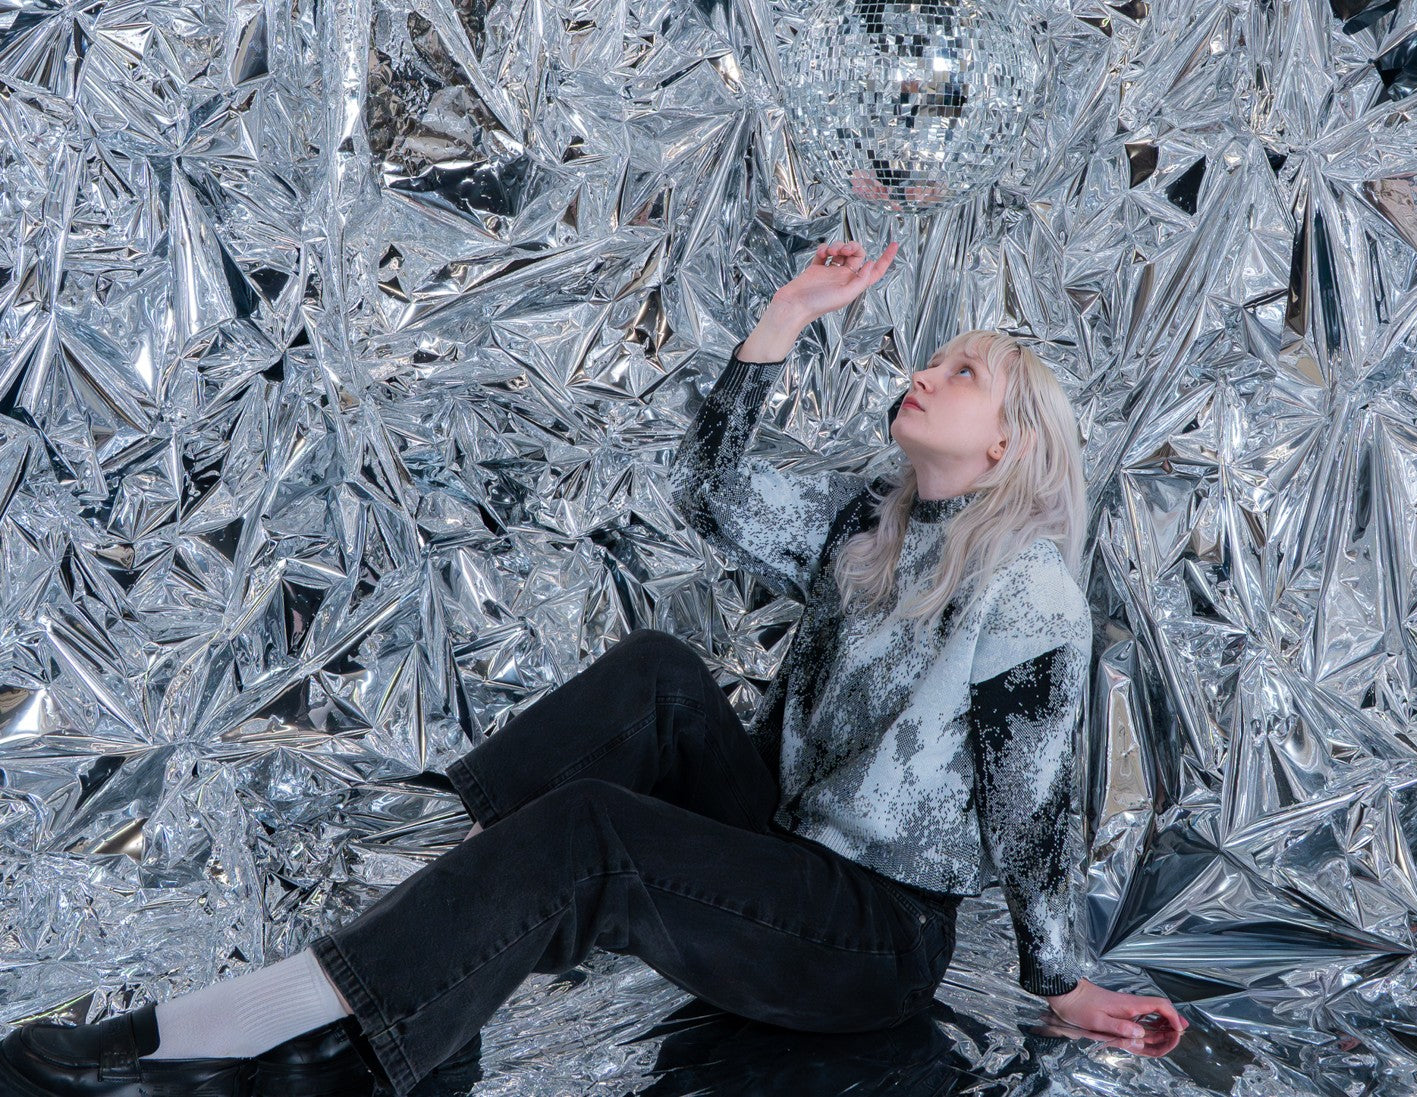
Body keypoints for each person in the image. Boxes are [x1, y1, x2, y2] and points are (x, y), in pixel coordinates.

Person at [0, 239, 1186, 1097]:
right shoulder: (873, 521)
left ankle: (206, 1046)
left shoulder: (1030, 590)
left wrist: (1061, 978)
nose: (925, 370)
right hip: (786, 843)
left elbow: (1029, 803)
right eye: (934, 357)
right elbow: (708, 490)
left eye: (963, 373)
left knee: (591, 833)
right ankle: (412, 910)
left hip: (871, 933)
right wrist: (781, 321)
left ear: (1009, 443)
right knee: (661, 674)